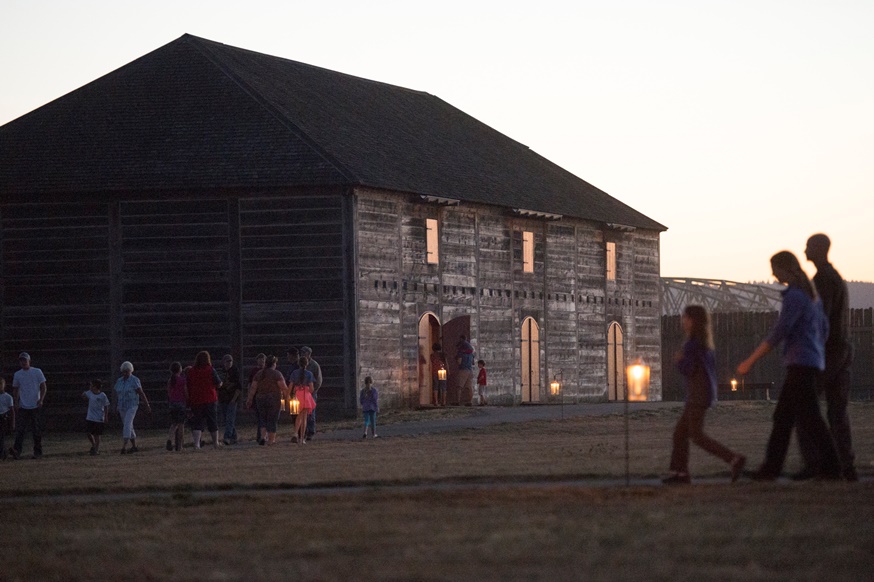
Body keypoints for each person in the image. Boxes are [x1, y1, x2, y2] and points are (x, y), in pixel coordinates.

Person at [736, 251, 841, 480]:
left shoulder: (794, 296)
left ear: (783, 268)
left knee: (809, 419)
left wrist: (750, 360)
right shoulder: (812, 296)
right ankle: (772, 469)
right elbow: (824, 328)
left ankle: (831, 468)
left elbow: (779, 332)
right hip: (811, 361)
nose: (772, 273)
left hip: (800, 364)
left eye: (774, 268)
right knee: (784, 417)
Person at [795, 234, 858, 481]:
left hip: (827, 352)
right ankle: (846, 466)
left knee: (805, 407)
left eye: (808, 246)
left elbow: (821, 320)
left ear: (818, 250)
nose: (804, 250)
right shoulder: (835, 278)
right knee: (837, 412)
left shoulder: (822, 280)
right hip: (842, 349)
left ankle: (815, 465)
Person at [663, 306, 746, 484]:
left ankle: (734, 459)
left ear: (693, 321)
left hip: (697, 395)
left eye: (686, 318)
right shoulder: (705, 343)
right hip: (702, 393)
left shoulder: (693, 344)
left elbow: (690, 369)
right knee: (680, 433)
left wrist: (679, 361)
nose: (683, 321)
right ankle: (679, 473)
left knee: (696, 435)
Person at [9, 352, 47, 460]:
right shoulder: (18, 374)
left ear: (29, 361)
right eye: (21, 361)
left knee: (36, 430)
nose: (23, 362)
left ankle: (37, 451)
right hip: (23, 406)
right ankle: (17, 450)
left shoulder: (37, 372)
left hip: (35, 405)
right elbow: (15, 389)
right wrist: (16, 402)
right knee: (20, 429)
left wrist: (41, 399)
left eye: (25, 360)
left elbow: (43, 386)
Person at [246, 355, 287, 446]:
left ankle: (263, 437)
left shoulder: (259, 374)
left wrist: (249, 399)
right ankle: (271, 440)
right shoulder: (277, 374)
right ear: (273, 364)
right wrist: (287, 398)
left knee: (263, 419)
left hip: (260, 398)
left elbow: (253, 388)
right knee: (273, 419)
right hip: (274, 398)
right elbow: (283, 387)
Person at [187, 351, 222, 450]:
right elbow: (218, 383)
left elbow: (188, 384)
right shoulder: (210, 370)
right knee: (212, 421)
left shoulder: (191, 371)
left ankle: (197, 444)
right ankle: (215, 443)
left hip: (196, 399)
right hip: (210, 398)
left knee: (197, 422)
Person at [114, 361, 151, 455]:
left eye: (127, 371)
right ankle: (134, 446)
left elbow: (141, 393)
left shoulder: (134, 380)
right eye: (124, 371)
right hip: (122, 406)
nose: (125, 373)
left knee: (127, 423)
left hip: (132, 405)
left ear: (130, 371)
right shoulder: (119, 381)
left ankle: (124, 446)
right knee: (129, 425)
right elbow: (118, 394)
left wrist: (147, 404)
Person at [289, 356, 316, 444]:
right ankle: (301, 438)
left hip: (297, 394)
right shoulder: (309, 374)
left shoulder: (294, 373)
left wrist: (289, 395)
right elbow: (311, 388)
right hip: (305, 394)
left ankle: (296, 433)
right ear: (307, 363)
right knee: (304, 418)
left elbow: (290, 386)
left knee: (298, 416)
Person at [217, 354, 242, 445]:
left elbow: (239, 387)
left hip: (232, 398)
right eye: (227, 361)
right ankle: (234, 436)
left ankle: (227, 437)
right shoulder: (221, 372)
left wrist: (234, 399)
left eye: (230, 361)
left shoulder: (235, 372)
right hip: (223, 398)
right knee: (227, 418)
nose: (229, 363)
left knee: (230, 418)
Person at [299, 346, 322, 440]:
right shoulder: (300, 364)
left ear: (308, 354)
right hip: (300, 392)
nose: (302, 354)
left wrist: (313, 390)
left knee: (311, 412)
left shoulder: (314, 365)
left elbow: (319, 380)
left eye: (304, 353)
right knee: (301, 412)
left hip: (310, 392)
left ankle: (311, 431)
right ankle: (303, 431)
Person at [82, 379, 109, 455]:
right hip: (90, 417)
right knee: (88, 432)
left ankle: (96, 449)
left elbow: (106, 405)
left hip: (99, 418)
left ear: (95, 387)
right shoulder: (89, 393)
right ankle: (93, 445)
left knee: (97, 434)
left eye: (91, 385)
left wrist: (106, 416)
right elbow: (84, 396)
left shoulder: (102, 395)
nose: (90, 387)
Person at [166, 362, 188, 452]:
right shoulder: (182, 380)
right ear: (180, 369)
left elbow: (168, 392)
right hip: (181, 403)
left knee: (174, 424)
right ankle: (180, 446)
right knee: (181, 425)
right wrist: (187, 400)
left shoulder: (170, 380)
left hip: (172, 403)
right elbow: (185, 392)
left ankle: (170, 439)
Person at [247, 353, 267, 443]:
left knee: (264, 416)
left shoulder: (268, 371)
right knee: (260, 416)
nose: (261, 361)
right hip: (257, 396)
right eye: (260, 359)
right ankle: (260, 435)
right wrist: (249, 396)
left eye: (263, 359)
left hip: (265, 395)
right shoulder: (254, 371)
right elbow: (250, 384)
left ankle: (262, 435)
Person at [456, 335, 475, 406]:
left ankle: (458, 401)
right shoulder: (471, 353)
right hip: (470, 370)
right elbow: (473, 362)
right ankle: (469, 401)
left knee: (459, 386)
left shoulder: (461, 351)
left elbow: (459, 361)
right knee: (469, 387)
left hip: (463, 369)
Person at [0, 379, 14, 460]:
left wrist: (13, 423)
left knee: (1, 437)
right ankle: (5, 452)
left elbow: (12, 411)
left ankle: (3, 453)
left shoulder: (8, 397)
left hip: (3, 418)